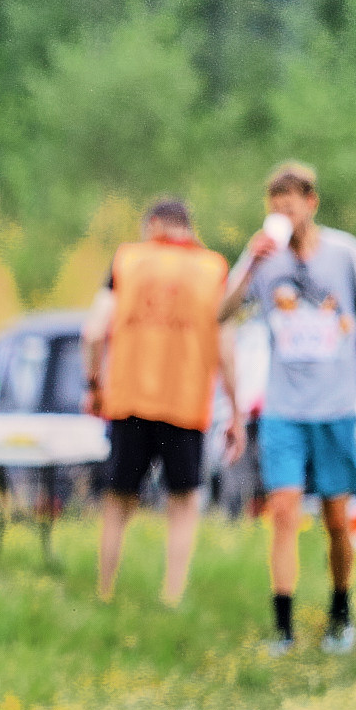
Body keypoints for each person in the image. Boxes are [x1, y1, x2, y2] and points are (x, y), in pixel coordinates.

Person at [220, 161, 356, 656]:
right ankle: (282, 627)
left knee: (336, 520)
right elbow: (220, 312)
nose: (282, 213)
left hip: (335, 408)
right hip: (283, 409)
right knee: (282, 512)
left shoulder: (345, 254)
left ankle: (340, 612)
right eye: (274, 206)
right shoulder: (263, 258)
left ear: (311, 203)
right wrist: (251, 266)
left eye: (290, 205)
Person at [81, 198, 243, 605]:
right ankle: (172, 595)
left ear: (153, 224)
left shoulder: (128, 261)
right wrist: (237, 409)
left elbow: (93, 332)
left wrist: (94, 383)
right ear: (187, 227)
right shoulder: (213, 269)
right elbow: (226, 349)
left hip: (129, 400)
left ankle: (105, 590)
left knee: (118, 500)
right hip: (185, 403)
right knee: (183, 502)